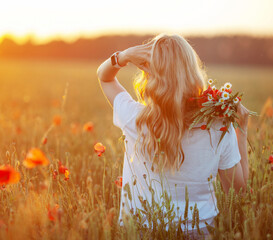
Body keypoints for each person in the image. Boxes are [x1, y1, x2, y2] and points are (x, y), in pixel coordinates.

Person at [97, 34, 250, 239]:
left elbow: (104, 76)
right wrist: (242, 129)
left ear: (151, 75)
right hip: (199, 233)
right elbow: (238, 192)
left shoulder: (134, 119)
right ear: (192, 71)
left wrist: (124, 56)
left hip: (141, 232)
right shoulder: (219, 126)